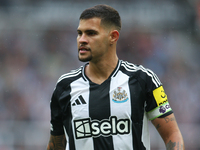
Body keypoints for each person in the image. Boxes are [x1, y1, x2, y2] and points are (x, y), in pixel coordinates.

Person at [47, 4, 185, 150]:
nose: (82, 39)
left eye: (91, 33)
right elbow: (56, 145)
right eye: (79, 33)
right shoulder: (64, 86)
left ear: (113, 37)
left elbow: (172, 135)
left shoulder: (143, 80)